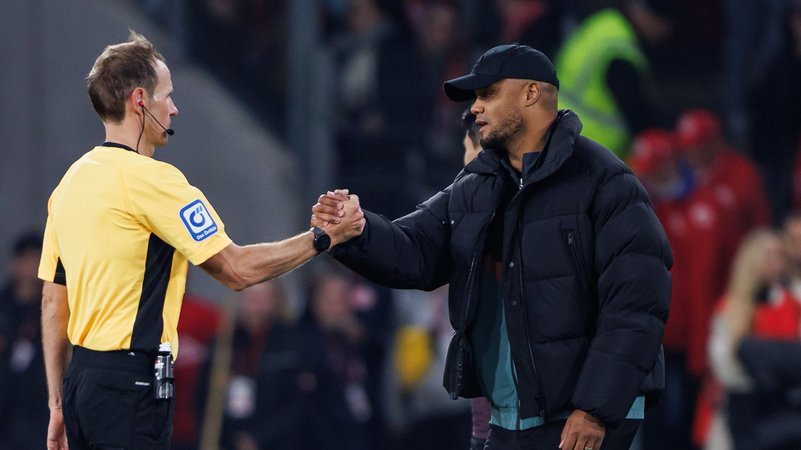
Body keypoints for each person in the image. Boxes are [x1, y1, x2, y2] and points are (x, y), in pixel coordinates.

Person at [312, 43, 672, 450]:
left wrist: (595, 408)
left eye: (488, 94)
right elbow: (415, 249)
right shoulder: (477, 185)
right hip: (509, 416)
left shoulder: (605, 182)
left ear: (531, 94)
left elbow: (638, 304)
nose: (475, 108)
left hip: (578, 418)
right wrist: (357, 229)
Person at [38, 31, 365, 450]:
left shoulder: (69, 185)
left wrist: (57, 404)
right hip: (131, 387)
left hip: (81, 385)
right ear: (140, 100)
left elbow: (53, 302)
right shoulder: (155, 180)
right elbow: (236, 269)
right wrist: (323, 239)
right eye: (167, 96)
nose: (174, 109)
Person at [554, 0, 674, 159]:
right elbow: (638, 115)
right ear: (647, 15)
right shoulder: (620, 51)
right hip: (586, 151)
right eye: (662, 25)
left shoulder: (605, 22)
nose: (662, 33)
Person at [0, 231, 48, 450]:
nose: (31, 266)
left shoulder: (52, 307)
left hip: (39, 408)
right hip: (6, 406)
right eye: (25, 259)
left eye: (36, 259)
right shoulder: (4, 305)